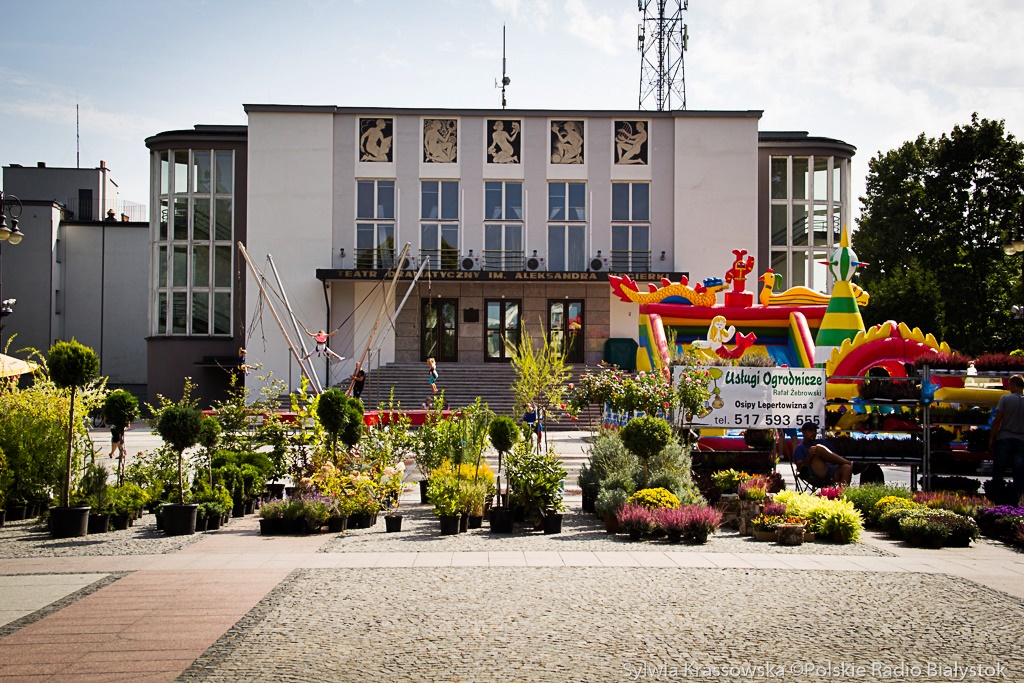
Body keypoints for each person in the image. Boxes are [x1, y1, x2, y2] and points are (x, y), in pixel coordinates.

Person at [990, 374, 1024, 503]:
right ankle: (1017, 498)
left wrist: (992, 437)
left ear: (1014, 385)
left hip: (1004, 437)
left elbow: (997, 420)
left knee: (999, 469)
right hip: (1021, 439)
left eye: (1010, 385)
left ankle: (997, 497)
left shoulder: (1005, 399)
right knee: (1019, 470)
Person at [792, 421, 852, 486]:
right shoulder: (799, 448)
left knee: (847, 468)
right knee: (818, 448)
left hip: (830, 471)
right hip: (813, 475)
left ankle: (840, 494)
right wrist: (809, 457)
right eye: (810, 430)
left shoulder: (823, 442)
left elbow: (835, 457)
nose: (813, 433)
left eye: (815, 431)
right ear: (803, 432)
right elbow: (800, 468)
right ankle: (851, 463)